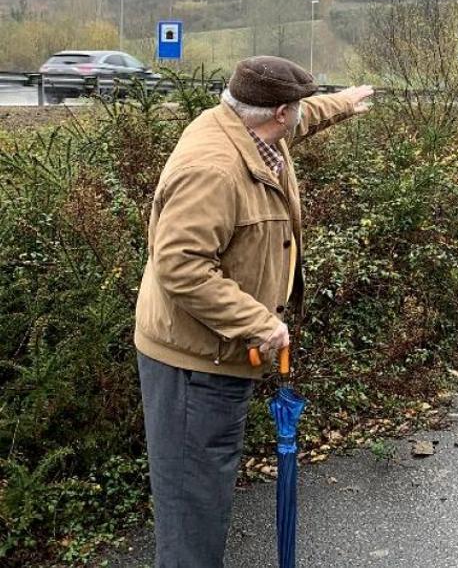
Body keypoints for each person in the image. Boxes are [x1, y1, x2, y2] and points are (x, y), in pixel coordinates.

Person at [133, 56, 373, 566]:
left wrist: (346, 103)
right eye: (297, 110)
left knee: (206, 495)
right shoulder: (214, 169)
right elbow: (180, 266)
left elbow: (304, 119)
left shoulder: (248, 127)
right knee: (191, 517)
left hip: (216, 354)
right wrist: (261, 323)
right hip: (192, 365)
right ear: (278, 112)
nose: (299, 118)